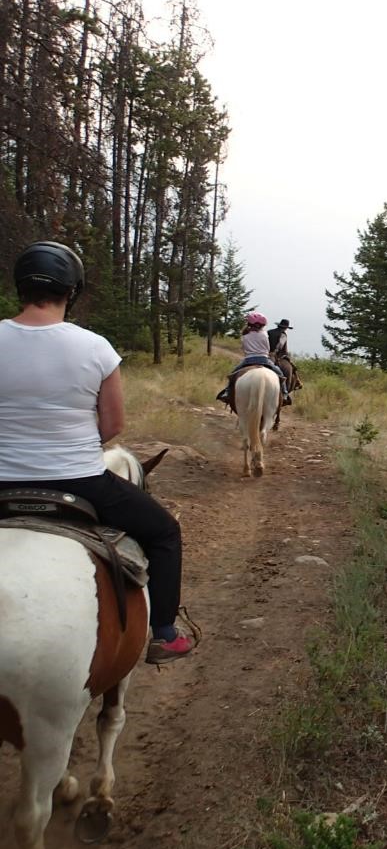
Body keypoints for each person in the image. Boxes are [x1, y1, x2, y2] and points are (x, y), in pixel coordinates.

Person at [0, 241, 194, 663]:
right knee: (164, 533)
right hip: (80, 480)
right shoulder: (95, 347)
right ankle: (163, 632)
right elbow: (112, 427)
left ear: (20, 287)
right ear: (72, 291)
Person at [217, 312, 292, 404]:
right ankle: (285, 393)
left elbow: (244, 348)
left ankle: (227, 392)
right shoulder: (264, 334)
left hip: (248, 359)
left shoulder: (245, 335)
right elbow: (268, 348)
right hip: (264, 359)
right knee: (280, 374)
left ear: (249, 324)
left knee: (233, 374)